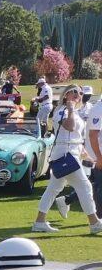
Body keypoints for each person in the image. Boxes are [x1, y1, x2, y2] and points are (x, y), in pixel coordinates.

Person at [33, 85, 102, 234]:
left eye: (80, 92)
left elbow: (76, 136)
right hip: (65, 154)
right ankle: (94, 222)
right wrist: (70, 109)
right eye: (74, 91)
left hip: (71, 152)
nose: (78, 94)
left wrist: (86, 154)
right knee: (85, 187)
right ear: (66, 95)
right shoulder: (62, 111)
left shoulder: (74, 112)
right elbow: (69, 127)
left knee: (53, 189)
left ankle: (39, 221)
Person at [56, 86, 102, 220]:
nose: (81, 96)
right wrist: (98, 157)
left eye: (82, 93)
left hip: (87, 152)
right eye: (77, 92)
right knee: (94, 185)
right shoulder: (97, 109)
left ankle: (66, 200)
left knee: (90, 183)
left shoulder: (89, 108)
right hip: (91, 153)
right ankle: (98, 219)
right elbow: (92, 135)